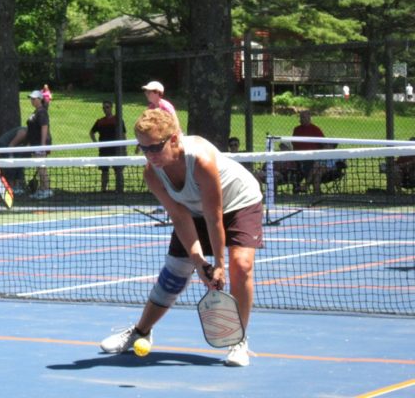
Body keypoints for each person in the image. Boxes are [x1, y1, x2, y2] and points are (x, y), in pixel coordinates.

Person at [99, 108, 263, 367]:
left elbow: (213, 216)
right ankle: (141, 331)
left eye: (155, 147)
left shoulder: (200, 160)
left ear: (174, 139)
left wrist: (219, 265)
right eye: (143, 149)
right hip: (193, 210)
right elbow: (179, 215)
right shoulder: (152, 174)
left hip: (239, 202)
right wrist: (198, 262)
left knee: (240, 266)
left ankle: (238, 341)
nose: (150, 155)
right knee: (175, 273)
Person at [89, 100, 126, 193]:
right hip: (104, 150)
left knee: (118, 170)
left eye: (107, 107)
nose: (105, 109)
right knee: (104, 171)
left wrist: (124, 148)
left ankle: (120, 189)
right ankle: (103, 190)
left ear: (111, 108)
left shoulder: (118, 120)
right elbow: (91, 132)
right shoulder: (100, 121)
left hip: (116, 149)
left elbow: (124, 134)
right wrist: (96, 143)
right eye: (103, 107)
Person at [26, 89, 52, 199]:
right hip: (34, 144)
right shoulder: (36, 111)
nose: (32, 101)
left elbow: (44, 128)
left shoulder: (42, 112)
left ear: (40, 99)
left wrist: (42, 146)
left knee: (42, 168)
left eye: (34, 99)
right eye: (31, 99)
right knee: (39, 167)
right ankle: (42, 189)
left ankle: (46, 190)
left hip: (40, 145)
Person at [291, 110, 325, 191]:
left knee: (310, 166)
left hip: (312, 157)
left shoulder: (316, 129)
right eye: (301, 117)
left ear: (309, 118)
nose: (301, 119)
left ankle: (307, 186)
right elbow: (294, 143)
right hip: (298, 157)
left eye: (303, 117)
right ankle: (297, 188)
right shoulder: (296, 129)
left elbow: (323, 144)